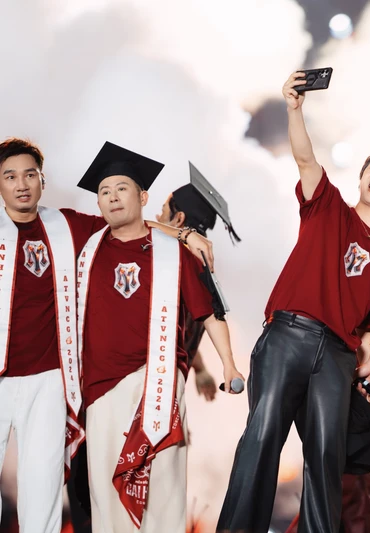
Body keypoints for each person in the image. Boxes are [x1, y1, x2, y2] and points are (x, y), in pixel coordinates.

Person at [216, 71, 370, 533]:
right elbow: (305, 158)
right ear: (361, 177)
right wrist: (294, 109)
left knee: (327, 459)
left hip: (337, 359)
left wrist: (366, 362)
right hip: (288, 335)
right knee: (262, 439)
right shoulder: (327, 205)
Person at [0, 137, 212, 533]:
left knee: (43, 494)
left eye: (30, 175)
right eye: (10, 176)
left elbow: (131, 224)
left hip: (50, 379)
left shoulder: (67, 226)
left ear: (42, 180)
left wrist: (185, 235)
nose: (22, 184)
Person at [75, 141, 244, 533]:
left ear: (143, 196)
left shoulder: (176, 253)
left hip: (159, 386)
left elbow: (208, 313)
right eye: (104, 191)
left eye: (122, 188)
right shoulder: (88, 242)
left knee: (162, 493)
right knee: (106, 495)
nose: (112, 197)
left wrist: (229, 364)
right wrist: (184, 232)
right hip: (101, 390)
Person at [156, 162, 241, 401]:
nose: (157, 218)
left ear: (179, 218)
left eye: (163, 211)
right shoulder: (204, 270)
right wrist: (200, 367)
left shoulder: (170, 260)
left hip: (151, 385)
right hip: (171, 387)